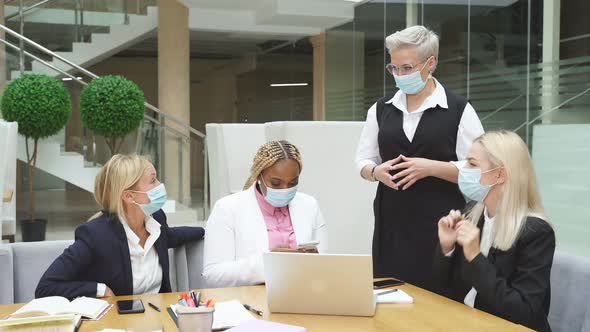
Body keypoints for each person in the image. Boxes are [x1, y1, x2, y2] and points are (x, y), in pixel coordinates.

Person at [355, 25, 484, 288]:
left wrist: (431, 167)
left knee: (439, 299)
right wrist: (374, 172)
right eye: (394, 68)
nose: (400, 75)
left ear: (430, 63)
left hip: (441, 227)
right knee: (388, 295)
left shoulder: (459, 110)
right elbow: (363, 160)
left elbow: (481, 172)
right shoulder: (380, 109)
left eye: (407, 68)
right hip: (391, 226)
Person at [433, 131, 555, 332]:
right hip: (467, 322)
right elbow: (441, 286)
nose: (463, 169)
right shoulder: (473, 215)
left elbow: (522, 312)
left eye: (472, 164)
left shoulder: (536, 232)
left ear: (499, 174)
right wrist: (446, 248)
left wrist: (475, 256)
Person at [35, 154, 204, 299]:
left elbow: (171, 236)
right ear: (129, 196)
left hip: (160, 320)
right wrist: (99, 289)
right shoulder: (96, 235)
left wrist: (206, 231)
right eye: (153, 180)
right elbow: (46, 287)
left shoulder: (156, 220)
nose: (160, 184)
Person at [203, 140, 327, 288]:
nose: (284, 189)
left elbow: (325, 263)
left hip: (302, 297)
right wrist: (268, 263)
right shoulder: (227, 208)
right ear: (259, 176)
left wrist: (315, 262)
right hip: (249, 303)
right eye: (275, 183)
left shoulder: (309, 205)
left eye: (293, 183)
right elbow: (213, 274)